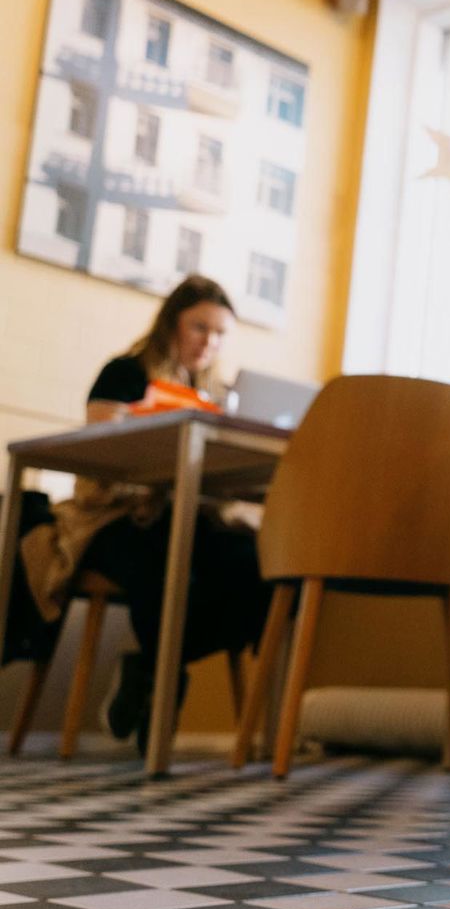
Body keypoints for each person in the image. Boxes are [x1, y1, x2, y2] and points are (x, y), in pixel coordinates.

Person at [18, 276, 271, 752]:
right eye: (199, 327)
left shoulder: (213, 396)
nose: (208, 342)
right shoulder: (124, 374)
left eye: (219, 334)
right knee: (162, 560)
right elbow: (101, 457)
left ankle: (151, 667)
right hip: (114, 518)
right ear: (170, 323)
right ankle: (161, 680)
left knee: (255, 562)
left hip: (184, 515)